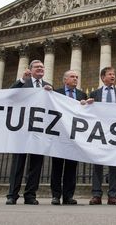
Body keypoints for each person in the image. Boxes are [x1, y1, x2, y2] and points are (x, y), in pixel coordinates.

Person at [5, 60, 52, 205]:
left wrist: (52, 93)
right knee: (18, 163)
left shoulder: (48, 86)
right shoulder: (23, 83)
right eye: (37, 67)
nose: (40, 69)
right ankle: (12, 195)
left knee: (36, 165)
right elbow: (10, 94)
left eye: (42, 67)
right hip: (22, 129)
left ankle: (30, 195)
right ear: (30, 70)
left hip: (39, 130)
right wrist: (21, 80)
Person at [82, 67, 116, 205]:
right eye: (110, 74)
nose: (113, 76)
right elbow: (84, 109)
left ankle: (113, 195)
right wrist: (85, 103)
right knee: (97, 164)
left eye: (114, 74)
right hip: (99, 132)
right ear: (103, 77)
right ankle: (96, 194)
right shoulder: (95, 93)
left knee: (114, 165)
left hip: (115, 132)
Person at [50, 70, 87, 205]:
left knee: (71, 168)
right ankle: (55, 195)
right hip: (59, 135)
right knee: (57, 167)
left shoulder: (82, 95)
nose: (75, 79)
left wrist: (86, 104)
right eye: (72, 77)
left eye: (77, 77)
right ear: (65, 80)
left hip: (74, 136)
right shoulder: (56, 93)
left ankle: (68, 196)